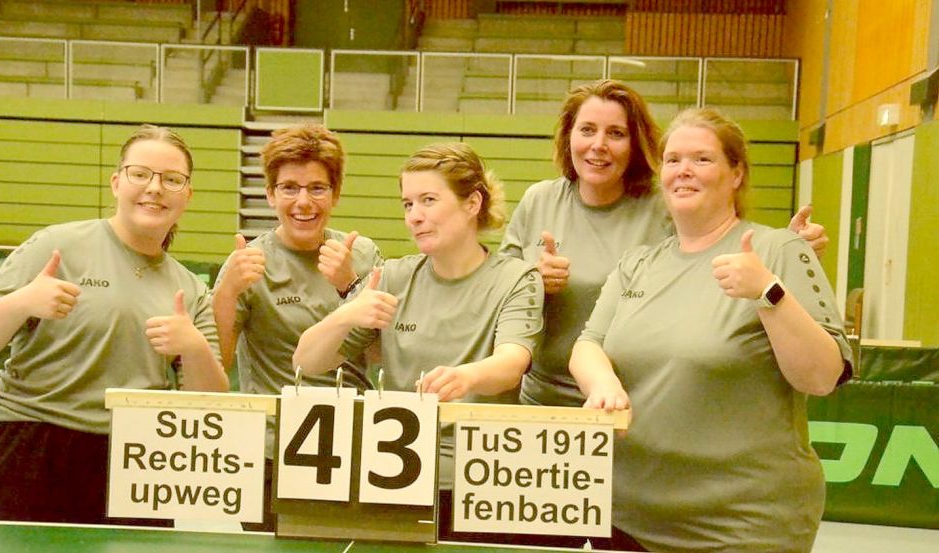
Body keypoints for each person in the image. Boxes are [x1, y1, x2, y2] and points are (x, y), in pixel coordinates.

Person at [570, 108, 853, 552]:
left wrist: (768, 293)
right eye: (673, 159)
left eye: (701, 159)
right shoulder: (638, 264)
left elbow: (821, 377)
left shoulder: (779, 250)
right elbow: (587, 345)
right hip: (628, 518)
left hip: (743, 525)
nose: (683, 171)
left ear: (736, 174)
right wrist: (602, 382)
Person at [499, 79, 829, 409]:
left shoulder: (668, 205)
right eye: (586, 130)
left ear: (635, 144)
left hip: (637, 398)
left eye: (616, 133)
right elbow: (498, 290)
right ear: (568, 136)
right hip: (544, 399)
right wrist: (530, 278)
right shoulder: (538, 200)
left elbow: (723, 246)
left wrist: (786, 248)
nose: (598, 144)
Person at [0, 124, 227, 525]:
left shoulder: (188, 290)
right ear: (117, 182)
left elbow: (212, 404)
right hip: (29, 443)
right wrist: (24, 300)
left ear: (187, 195)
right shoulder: (58, 245)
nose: (155, 188)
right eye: (141, 174)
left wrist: (194, 348)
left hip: (137, 459)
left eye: (172, 180)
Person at [293, 142, 544, 540]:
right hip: (399, 481)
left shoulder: (516, 278)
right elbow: (307, 361)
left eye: (428, 200)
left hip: (484, 486)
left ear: (472, 203)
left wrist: (466, 377)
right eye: (408, 204)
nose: (415, 216)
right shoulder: (392, 277)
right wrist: (347, 314)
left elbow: (512, 363)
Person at [212, 123, 382, 531]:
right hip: (272, 451)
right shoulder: (248, 263)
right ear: (270, 195)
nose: (303, 202)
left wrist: (349, 286)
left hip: (354, 446)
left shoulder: (361, 252)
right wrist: (228, 292)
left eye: (317, 188)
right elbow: (217, 363)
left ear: (335, 194)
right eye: (289, 188)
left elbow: (381, 356)